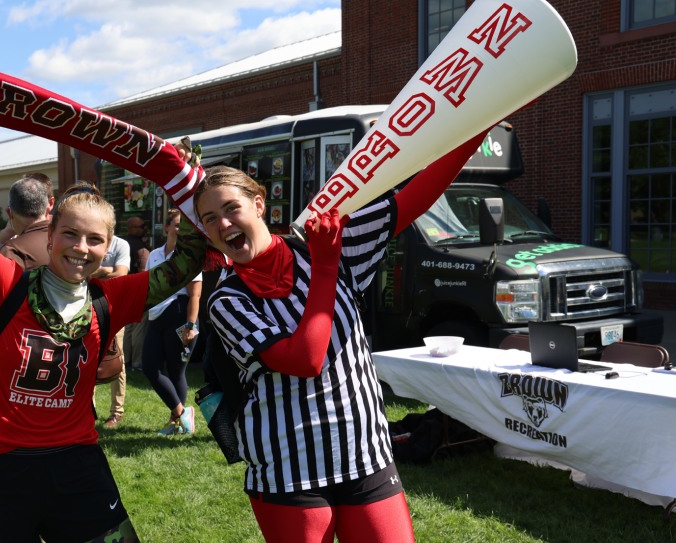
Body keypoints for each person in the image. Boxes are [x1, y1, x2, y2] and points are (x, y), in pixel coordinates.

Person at [0, 130, 204, 542]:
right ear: (51, 232)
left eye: (95, 240)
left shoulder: (112, 297)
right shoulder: (1, 282)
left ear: (109, 245)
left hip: (77, 462)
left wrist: (184, 179)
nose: (81, 248)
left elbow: (189, 258)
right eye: (71, 234)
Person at [194, 131, 486, 542]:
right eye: (210, 218)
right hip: (288, 472)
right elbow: (305, 359)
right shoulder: (227, 300)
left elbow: (410, 200)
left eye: (231, 208)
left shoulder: (325, 243)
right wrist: (327, 267)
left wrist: (476, 127)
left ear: (259, 204)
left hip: (365, 453)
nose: (223, 223)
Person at [143, 209, 202, 436]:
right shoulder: (154, 255)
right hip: (155, 316)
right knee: (150, 367)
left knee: (177, 371)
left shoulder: (189, 256)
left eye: (184, 226)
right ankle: (181, 412)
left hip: (179, 314)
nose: (180, 230)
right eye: (176, 225)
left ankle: (176, 423)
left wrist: (190, 325)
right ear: (166, 227)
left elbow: (195, 296)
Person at [90, 235, 132, 429]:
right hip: (86, 308)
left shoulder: (120, 244)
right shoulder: (89, 241)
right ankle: (88, 409)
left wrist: (97, 272)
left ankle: (116, 413)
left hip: (113, 309)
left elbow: (121, 275)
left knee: (116, 358)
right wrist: (107, 270)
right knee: (85, 358)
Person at [0, 173, 54, 254]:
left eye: (35, 200)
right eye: (22, 201)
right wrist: (7, 232)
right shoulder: (11, 241)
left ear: (50, 203)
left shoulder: (62, 230)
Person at [122, 216, 151, 371]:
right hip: (137, 293)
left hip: (125, 292)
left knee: (129, 329)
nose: (145, 228)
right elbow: (143, 273)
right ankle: (137, 363)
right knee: (138, 329)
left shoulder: (125, 244)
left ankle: (125, 361)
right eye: (142, 225)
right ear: (132, 228)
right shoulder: (141, 249)